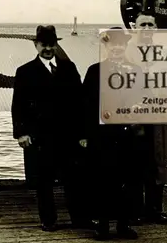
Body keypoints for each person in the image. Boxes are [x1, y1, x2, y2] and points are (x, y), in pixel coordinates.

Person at [11, 25, 88, 232]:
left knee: (74, 179)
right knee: (43, 180)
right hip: (40, 136)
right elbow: (18, 105)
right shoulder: (25, 71)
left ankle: (79, 218)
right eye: (43, 44)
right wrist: (21, 133)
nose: (48, 48)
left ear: (56, 45)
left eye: (51, 44)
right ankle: (48, 219)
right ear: (36, 45)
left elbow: (80, 103)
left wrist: (83, 134)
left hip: (68, 135)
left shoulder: (69, 68)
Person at [82, 26, 140, 240]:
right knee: (102, 180)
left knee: (127, 180)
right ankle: (103, 225)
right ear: (106, 46)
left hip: (127, 135)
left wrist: (138, 108)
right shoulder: (94, 71)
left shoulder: (136, 70)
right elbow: (85, 105)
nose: (117, 48)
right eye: (112, 44)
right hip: (101, 136)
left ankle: (123, 225)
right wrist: (84, 135)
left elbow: (145, 97)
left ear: (125, 46)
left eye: (120, 44)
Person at [126, 14, 167, 224]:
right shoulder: (127, 53)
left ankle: (154, 210)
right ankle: (135, 210)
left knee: (158, 163)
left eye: (150, 24)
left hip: (158, 117)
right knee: (135, 163)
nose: (147, 28)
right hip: (134, 119)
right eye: (142, 24)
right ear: (134, 28)